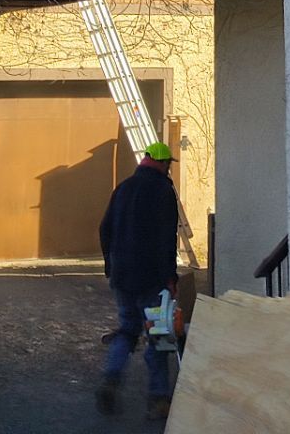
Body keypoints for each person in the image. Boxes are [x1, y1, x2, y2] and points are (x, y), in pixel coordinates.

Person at [97, 140, 180, 421]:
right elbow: (166, 237)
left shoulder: (123, 188)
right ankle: (158, 399)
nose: (169, 168)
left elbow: (105, 228)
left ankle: (111, 377)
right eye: (168, 163)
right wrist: (170, 276)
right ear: (161, 163)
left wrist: (111, 265)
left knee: (127, 330)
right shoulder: (163, 191)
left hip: (122, 276)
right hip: (150, 278)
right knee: (157, 335)